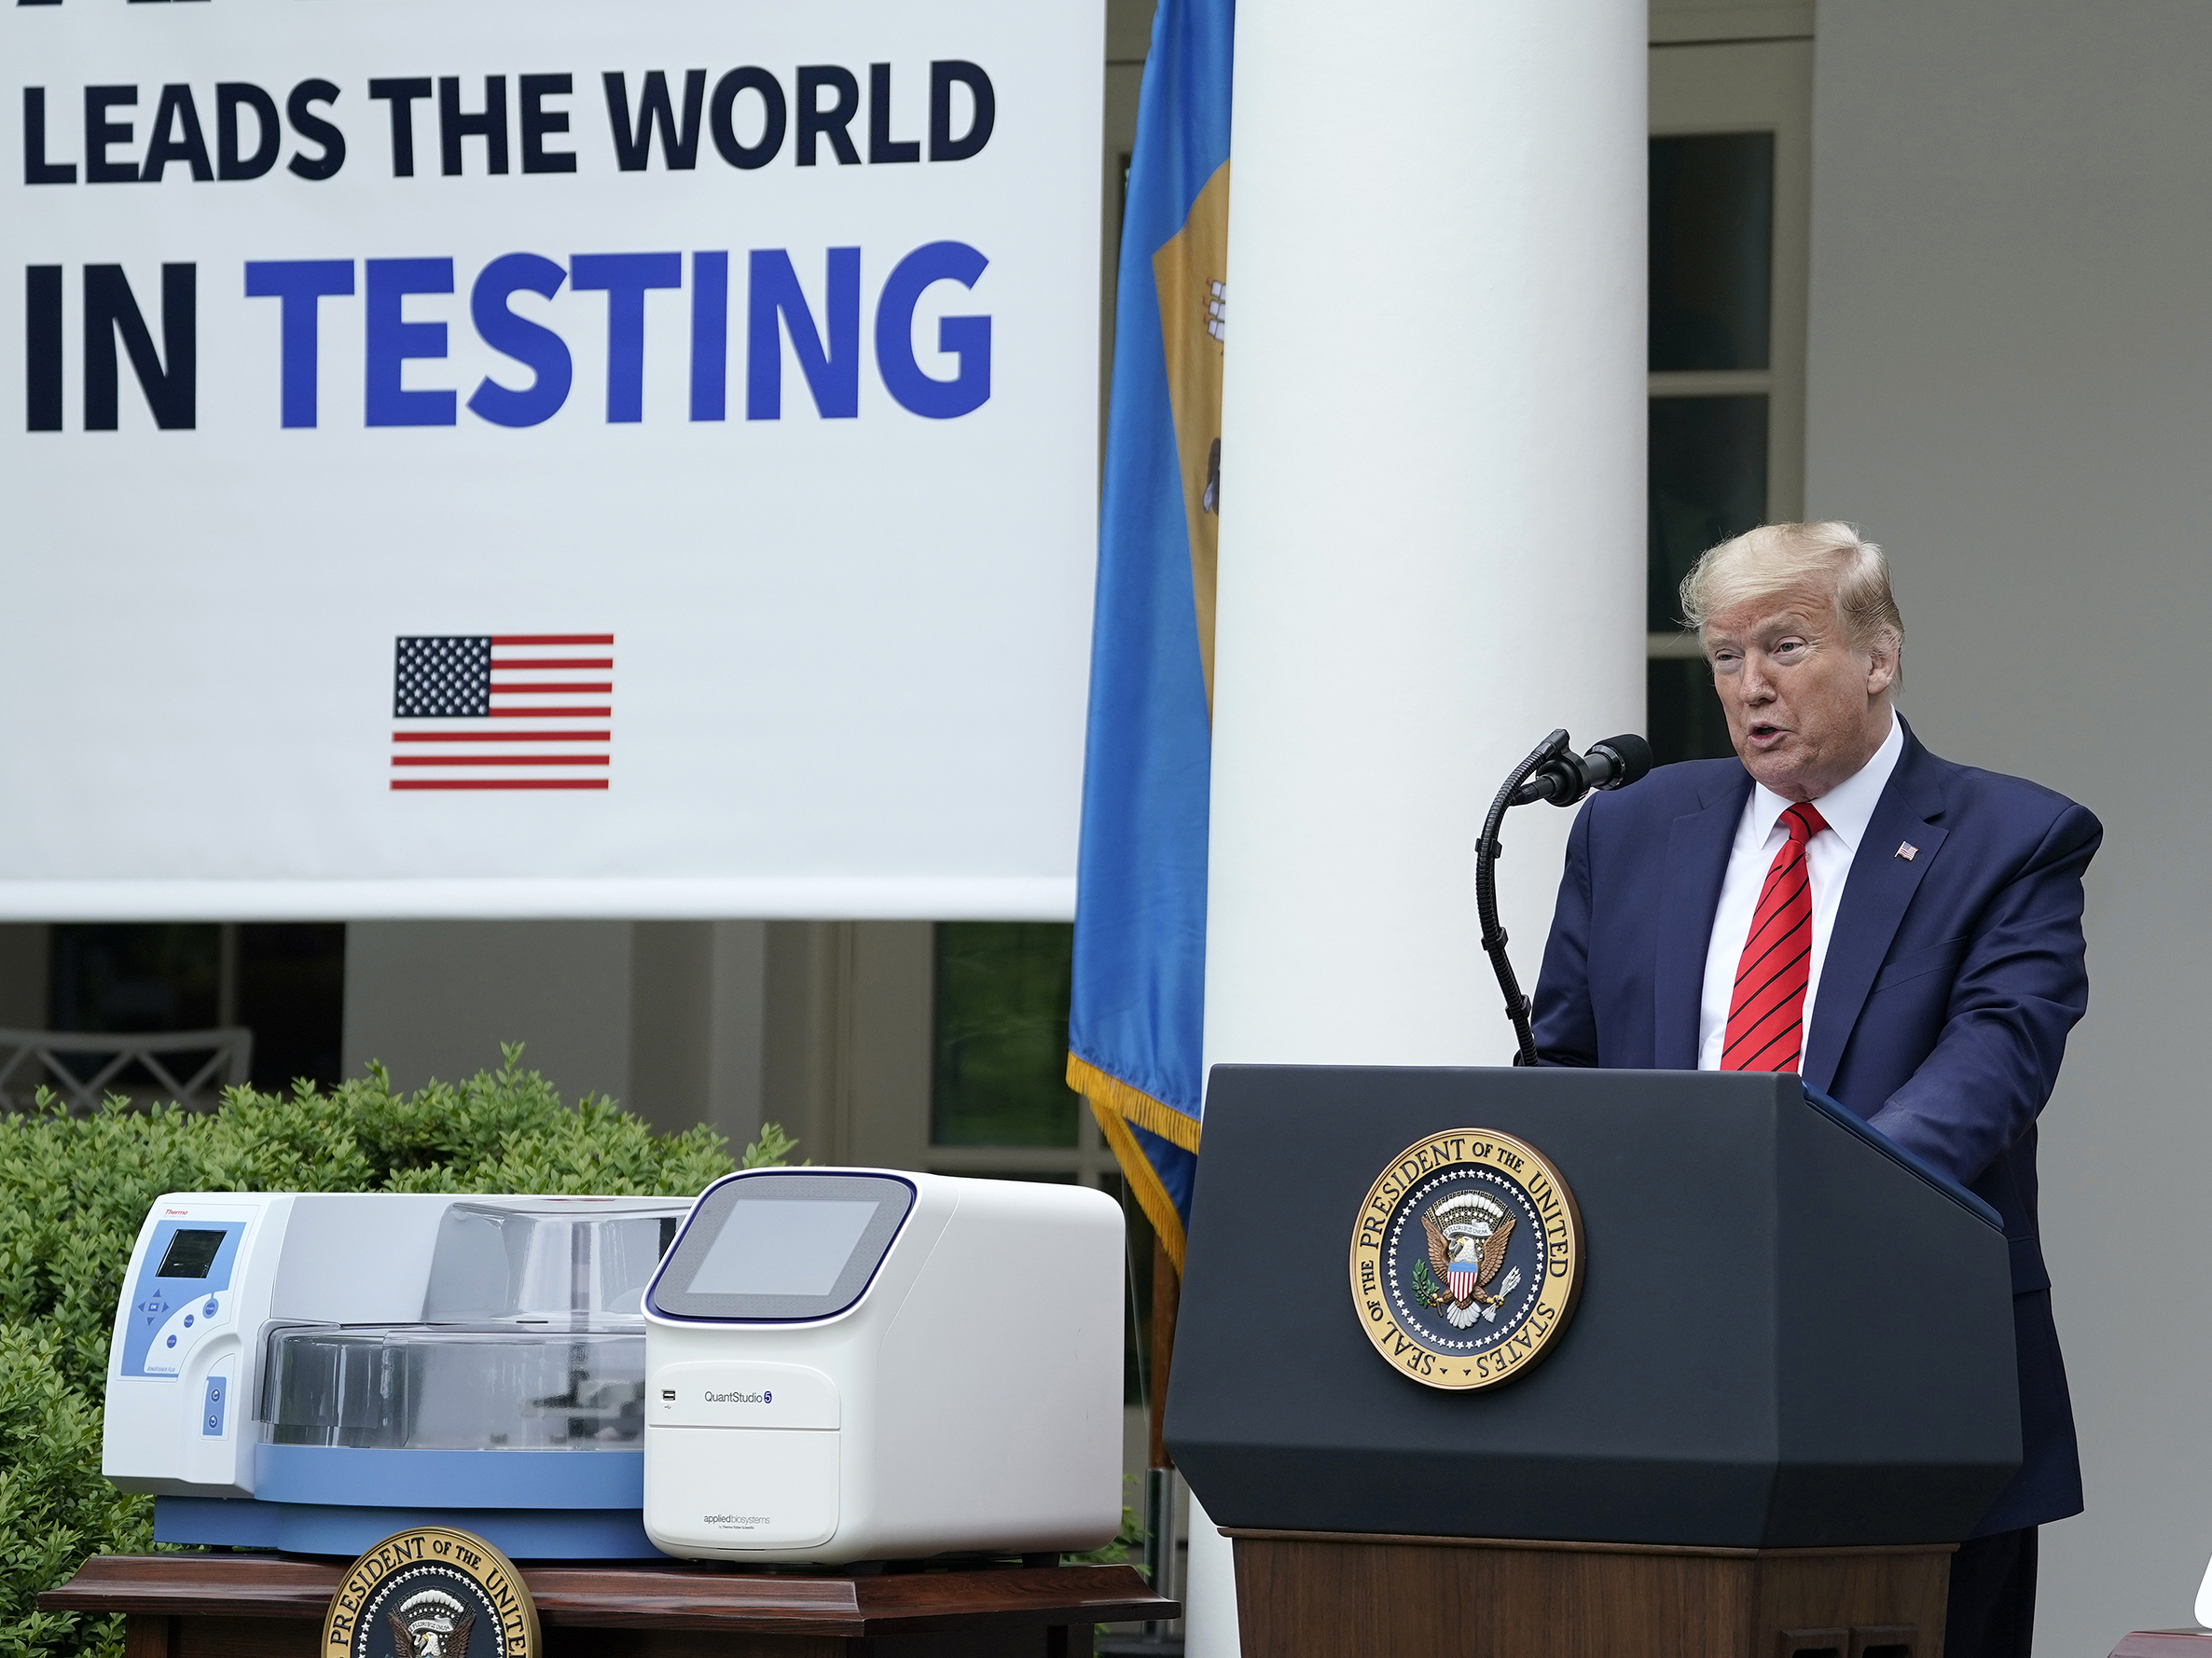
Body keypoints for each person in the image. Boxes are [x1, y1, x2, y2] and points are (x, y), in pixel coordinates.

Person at [1532, 521, 2098, 1658]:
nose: (1750, 688)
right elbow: (1561, 1070)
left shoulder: (2011, 837)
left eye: (1783, 648)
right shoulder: (1630, 829)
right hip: (1652, 1374)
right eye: (1725, 657)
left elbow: (1992, 1061)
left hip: (1907, 1377)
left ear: (1878, 654)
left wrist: (1799, 1200)